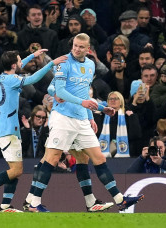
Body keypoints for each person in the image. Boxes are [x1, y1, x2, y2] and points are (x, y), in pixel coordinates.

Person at [28, 33, 144, 212]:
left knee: (94, 157)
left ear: (88, 49)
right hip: (63, 118)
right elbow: (59, 91)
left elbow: (84, 94)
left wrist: (94, 113)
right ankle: (33, 203)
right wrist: (84, 104)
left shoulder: (90, 65)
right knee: (51, 158)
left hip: (81, 118)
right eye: (75, 45)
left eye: (81, 47)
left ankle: (117, 199)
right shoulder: (64, 62)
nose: (76, 49)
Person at [0, 49, 67, 212]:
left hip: (6, 128)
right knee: (17, 170)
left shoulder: (0, 77)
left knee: (14, 170)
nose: (22, 62)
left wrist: (33, 55)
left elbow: (18, 63)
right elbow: (33, 78)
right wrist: (51, 63)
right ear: (14, 65)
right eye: (19, 60)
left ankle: (5, 206)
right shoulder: (13, 79)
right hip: (8, 130)